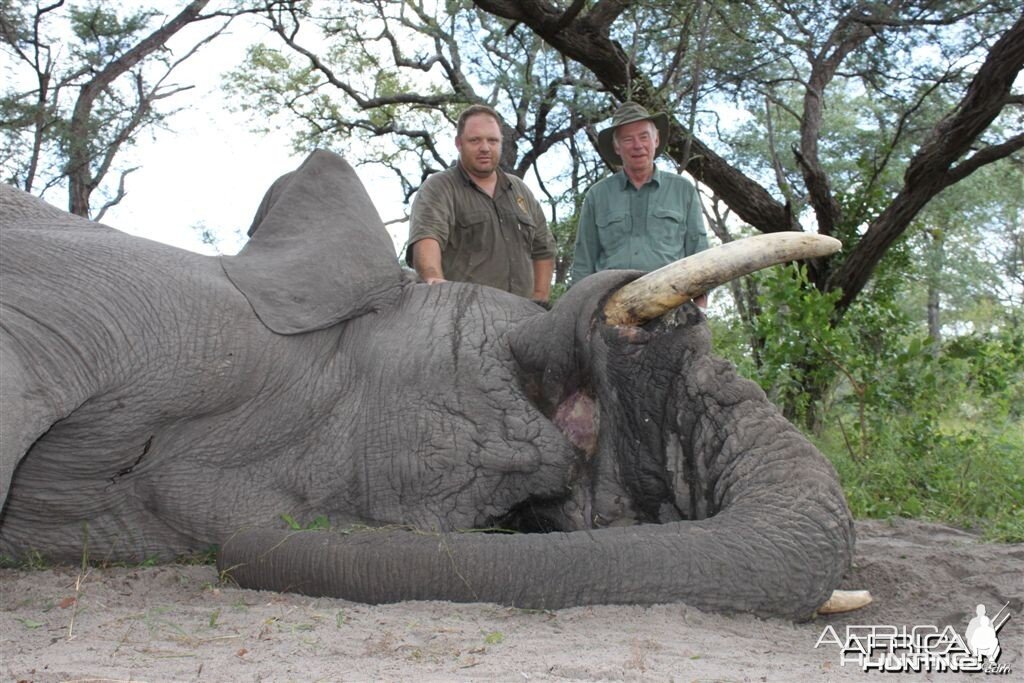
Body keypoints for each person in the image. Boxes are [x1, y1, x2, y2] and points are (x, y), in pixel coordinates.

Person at [405, 104, 556, 304]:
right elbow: (427, 240)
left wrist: (540, 298)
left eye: (492, 140)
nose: (485, 148)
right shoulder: (439, 188)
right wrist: (435, 282)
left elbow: (544, 249)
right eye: (475, 140)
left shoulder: (520, 190)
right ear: (459, 143)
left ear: (501, 143)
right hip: (464, 317)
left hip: (523, 319)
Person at [571, 102, 709, 307]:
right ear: (617, 147)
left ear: (656, 139)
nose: (637, 145)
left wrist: (700, 310)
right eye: (628, 139)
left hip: (671, 303)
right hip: (610, 306)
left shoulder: (683, 189)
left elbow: (700, 256)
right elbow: (583, 262)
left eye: (644, 136)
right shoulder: (597, 195)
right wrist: (580, 312)